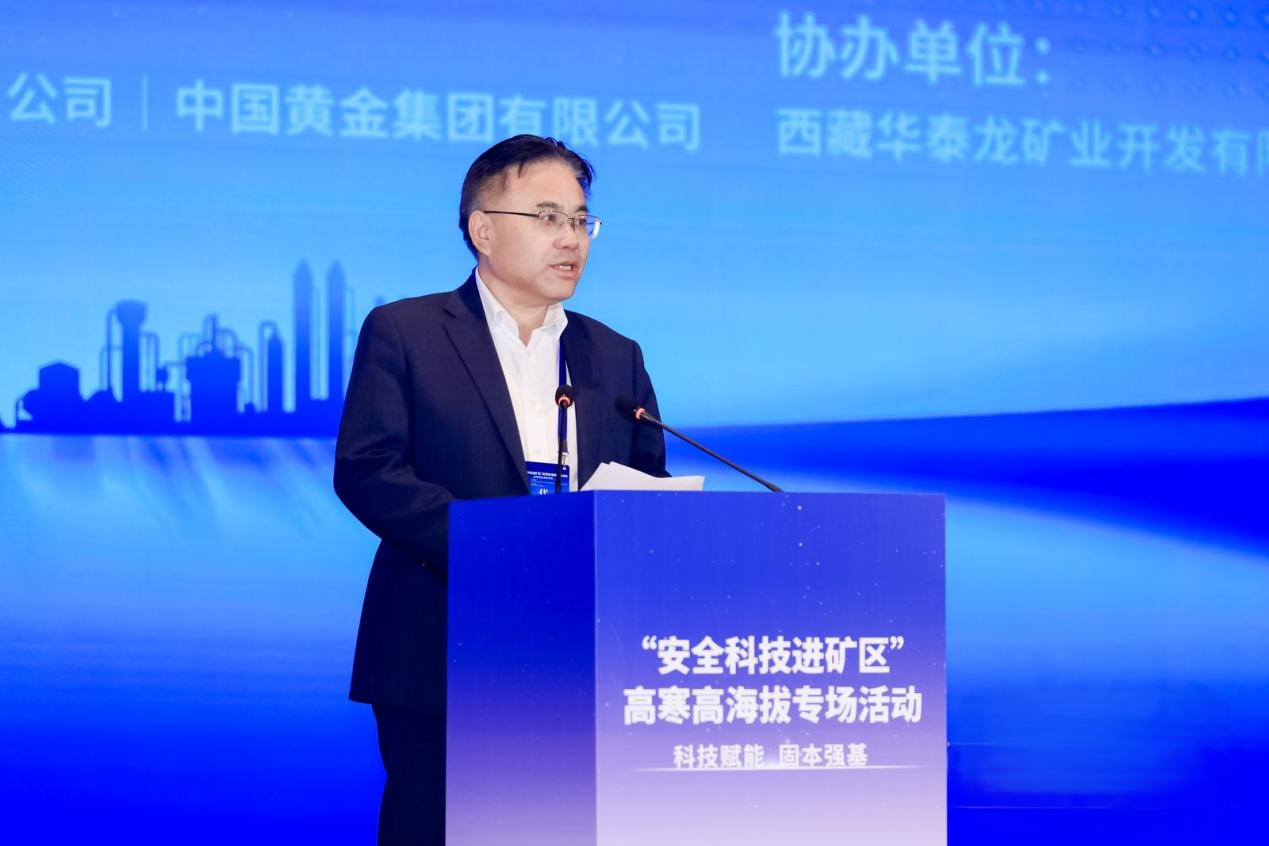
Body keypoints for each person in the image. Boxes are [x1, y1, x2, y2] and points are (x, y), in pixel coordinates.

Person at [333, 134, 667, 844]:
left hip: (582, 653)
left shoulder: (615, 355)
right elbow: (368, 468)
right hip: (440, 641)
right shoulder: (407, 331)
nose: (570, 238)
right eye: (546, 218)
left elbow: (647, 481)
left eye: (581, 220)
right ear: (482, 230)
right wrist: (498, 549)